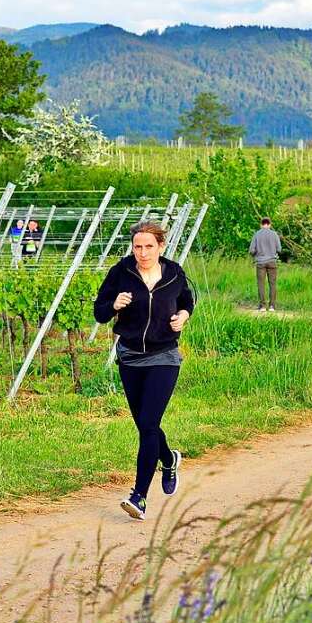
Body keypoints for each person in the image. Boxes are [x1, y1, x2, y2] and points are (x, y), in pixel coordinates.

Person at [94, 221, 196, 521]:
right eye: (137, 246)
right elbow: (99, 313)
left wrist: (183, 316)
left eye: (149, 246)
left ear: (160, 247)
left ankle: (139, 496)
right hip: (130, 358)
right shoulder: (121, 272)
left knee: (150, 423)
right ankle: (168, 458)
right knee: (145, 425)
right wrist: (114, 304)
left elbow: (187, 300)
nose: (142, 252)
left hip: (164, 356)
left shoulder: (174, 272)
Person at [249, 217, 282, 311]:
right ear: (270, 224)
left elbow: (251, 250)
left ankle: (262, 306)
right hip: (272, 262)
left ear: (261, 224)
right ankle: (272, 306)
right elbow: (279, 249)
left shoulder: (256, 234)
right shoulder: (274, 234)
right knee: (272, 284)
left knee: (261, 284)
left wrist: (257, 254)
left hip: (260, 263)